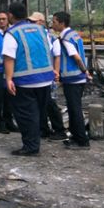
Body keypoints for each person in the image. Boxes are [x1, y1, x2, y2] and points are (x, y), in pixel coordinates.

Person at [3, 2, 56, 156]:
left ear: (10, 15)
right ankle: (35, 141)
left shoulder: (12, 33)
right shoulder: (42, 30)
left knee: (26, 114)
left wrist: (8, 79)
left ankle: (31, 146)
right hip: (45, 78)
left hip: (25, 80)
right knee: (39, 113)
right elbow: (49, 50)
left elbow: (9, 58)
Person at [51, 11, 91, 148]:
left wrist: (85, 71)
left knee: (75, 110)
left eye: (54, 21)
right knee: (74, 108)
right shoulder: (74, 35)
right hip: (75, 78)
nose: (52, 24)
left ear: (62, 23)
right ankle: (76, 137)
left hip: (73, 78)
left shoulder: (66, 38)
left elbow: (76, 57)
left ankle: (82, 141)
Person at [28, 12, 66, 141]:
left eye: (35, 22)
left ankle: (59, 129)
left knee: (50, 103)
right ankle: (43, 129)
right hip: (36, 76)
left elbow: (57, 56)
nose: (32, 24)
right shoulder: (32, 36)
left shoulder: (50, 37)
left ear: (42, 22)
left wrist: (55, 73)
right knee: (40, 104)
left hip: (47, 76)